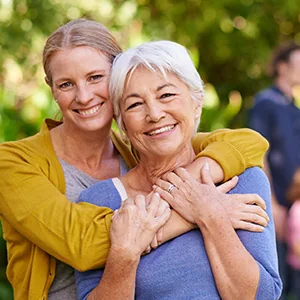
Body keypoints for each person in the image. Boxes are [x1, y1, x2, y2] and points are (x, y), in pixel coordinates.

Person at [0, 19, 269, 300]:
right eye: (66, 84)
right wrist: (202, 212)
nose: (84, 95)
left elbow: (247, 142)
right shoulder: (13, 162)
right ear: (51, 89)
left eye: (95, 77)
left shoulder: (140, 148)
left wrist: (194, 192)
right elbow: (83, 246)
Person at [75, 40, 282, 300]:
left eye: (166, 95)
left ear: (196, 104)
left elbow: (263, 297)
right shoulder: (98, 202)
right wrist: (125, 253)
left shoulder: (243, 180)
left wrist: (209, 213)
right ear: (122, 126)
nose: (154, 113)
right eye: (135, 105)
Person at [249, 42, 300, 299]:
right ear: (282, 67)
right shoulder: (265, 103)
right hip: (275, 204)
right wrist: (272, 203)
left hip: (295, 205)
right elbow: (259, 154)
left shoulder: (294, 108)